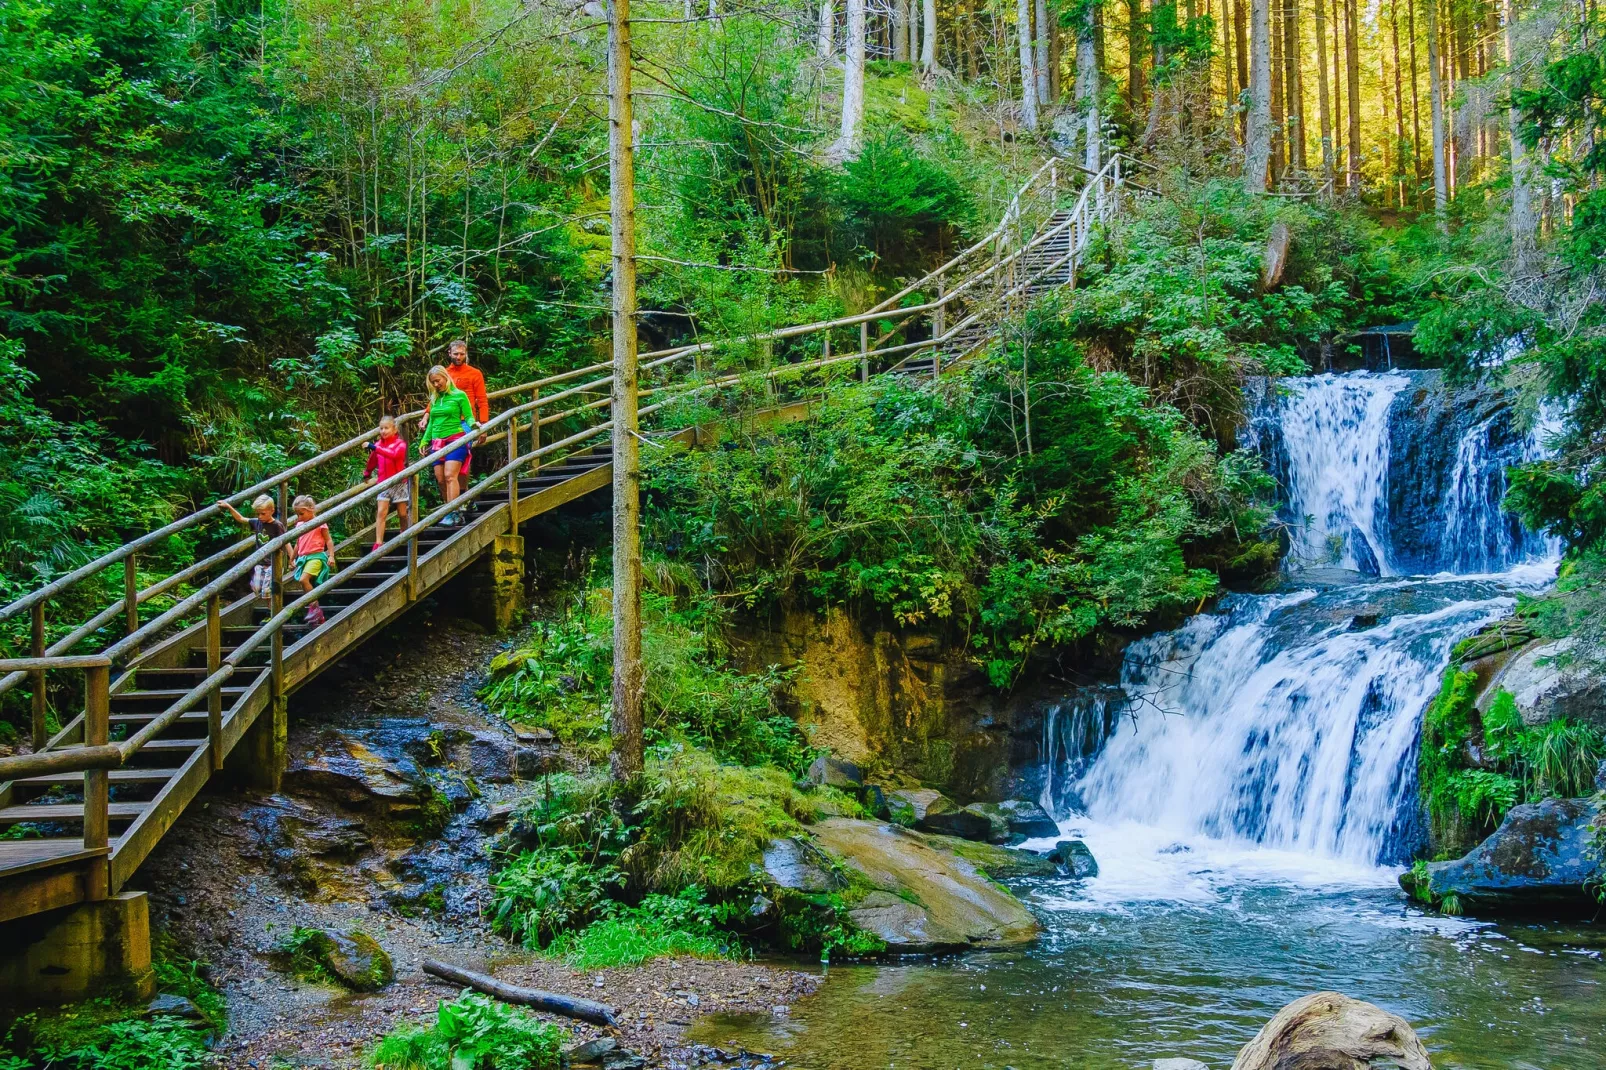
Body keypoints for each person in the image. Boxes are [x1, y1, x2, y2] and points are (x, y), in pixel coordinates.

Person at [417, 365, 478, 525]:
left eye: (438, 381)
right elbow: (432, 422)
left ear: (445, 377)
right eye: (433, 383)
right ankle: (448, 510)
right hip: (437, 442)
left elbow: (469, 417)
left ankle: (455, 512)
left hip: (456, 439)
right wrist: (425, 440)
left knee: (450, 476)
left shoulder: (459, 395)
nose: (436, 385)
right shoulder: (435, 398)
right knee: (440, 479)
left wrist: (474, 426)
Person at [218, 494, 286, 602]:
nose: (260, 516)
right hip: (260, 562)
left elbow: (285, 541)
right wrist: (229, 506)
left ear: (272, 510)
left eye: (263, 514)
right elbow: (240, 518)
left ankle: (272, 613)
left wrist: (291, 559)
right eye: (258, 514)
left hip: (273, 563)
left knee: (267, 591)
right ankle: (271, 610)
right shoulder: (257, 522)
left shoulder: (277, 525)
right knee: (256, 588)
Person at [361, 415, 411, 550]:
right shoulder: (378, 445)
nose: (383, 431)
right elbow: (373, 460)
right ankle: (378, 542)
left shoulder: (400, 444)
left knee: (402, 513)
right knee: (381, 512)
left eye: (386, 428)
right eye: (381, 428)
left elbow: (393, 455)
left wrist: (373, 447)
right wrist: (367, 473)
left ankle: (404, 531)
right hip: (383, 483)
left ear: (394, 430)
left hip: (399, 482)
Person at [444, 339, 489, 476]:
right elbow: (436, 397)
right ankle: (454, 496)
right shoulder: (444, 373)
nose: (459, 357)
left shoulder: (474, 373)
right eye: (456, 354)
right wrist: (427, 414)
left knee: (459, 460)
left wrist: (484, 426)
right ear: (449, 353)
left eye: (462, 354)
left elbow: (482, 400)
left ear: (466, 354)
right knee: (445, 464)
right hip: (445, 421)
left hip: (466, 421)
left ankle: (463, 495)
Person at [289, 495, 335, 627]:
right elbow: (298, 544)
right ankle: (316, 612)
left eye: (301, 514)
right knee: (303, 582)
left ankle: (314, 608)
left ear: (311, 509)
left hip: (316, 556)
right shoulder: (299, 525)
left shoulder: (320, 522)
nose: (299, 517)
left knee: (304, 579)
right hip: (303, 558)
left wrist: (331, 556)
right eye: (297, 514)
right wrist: (291, 559)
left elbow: (328, 540)